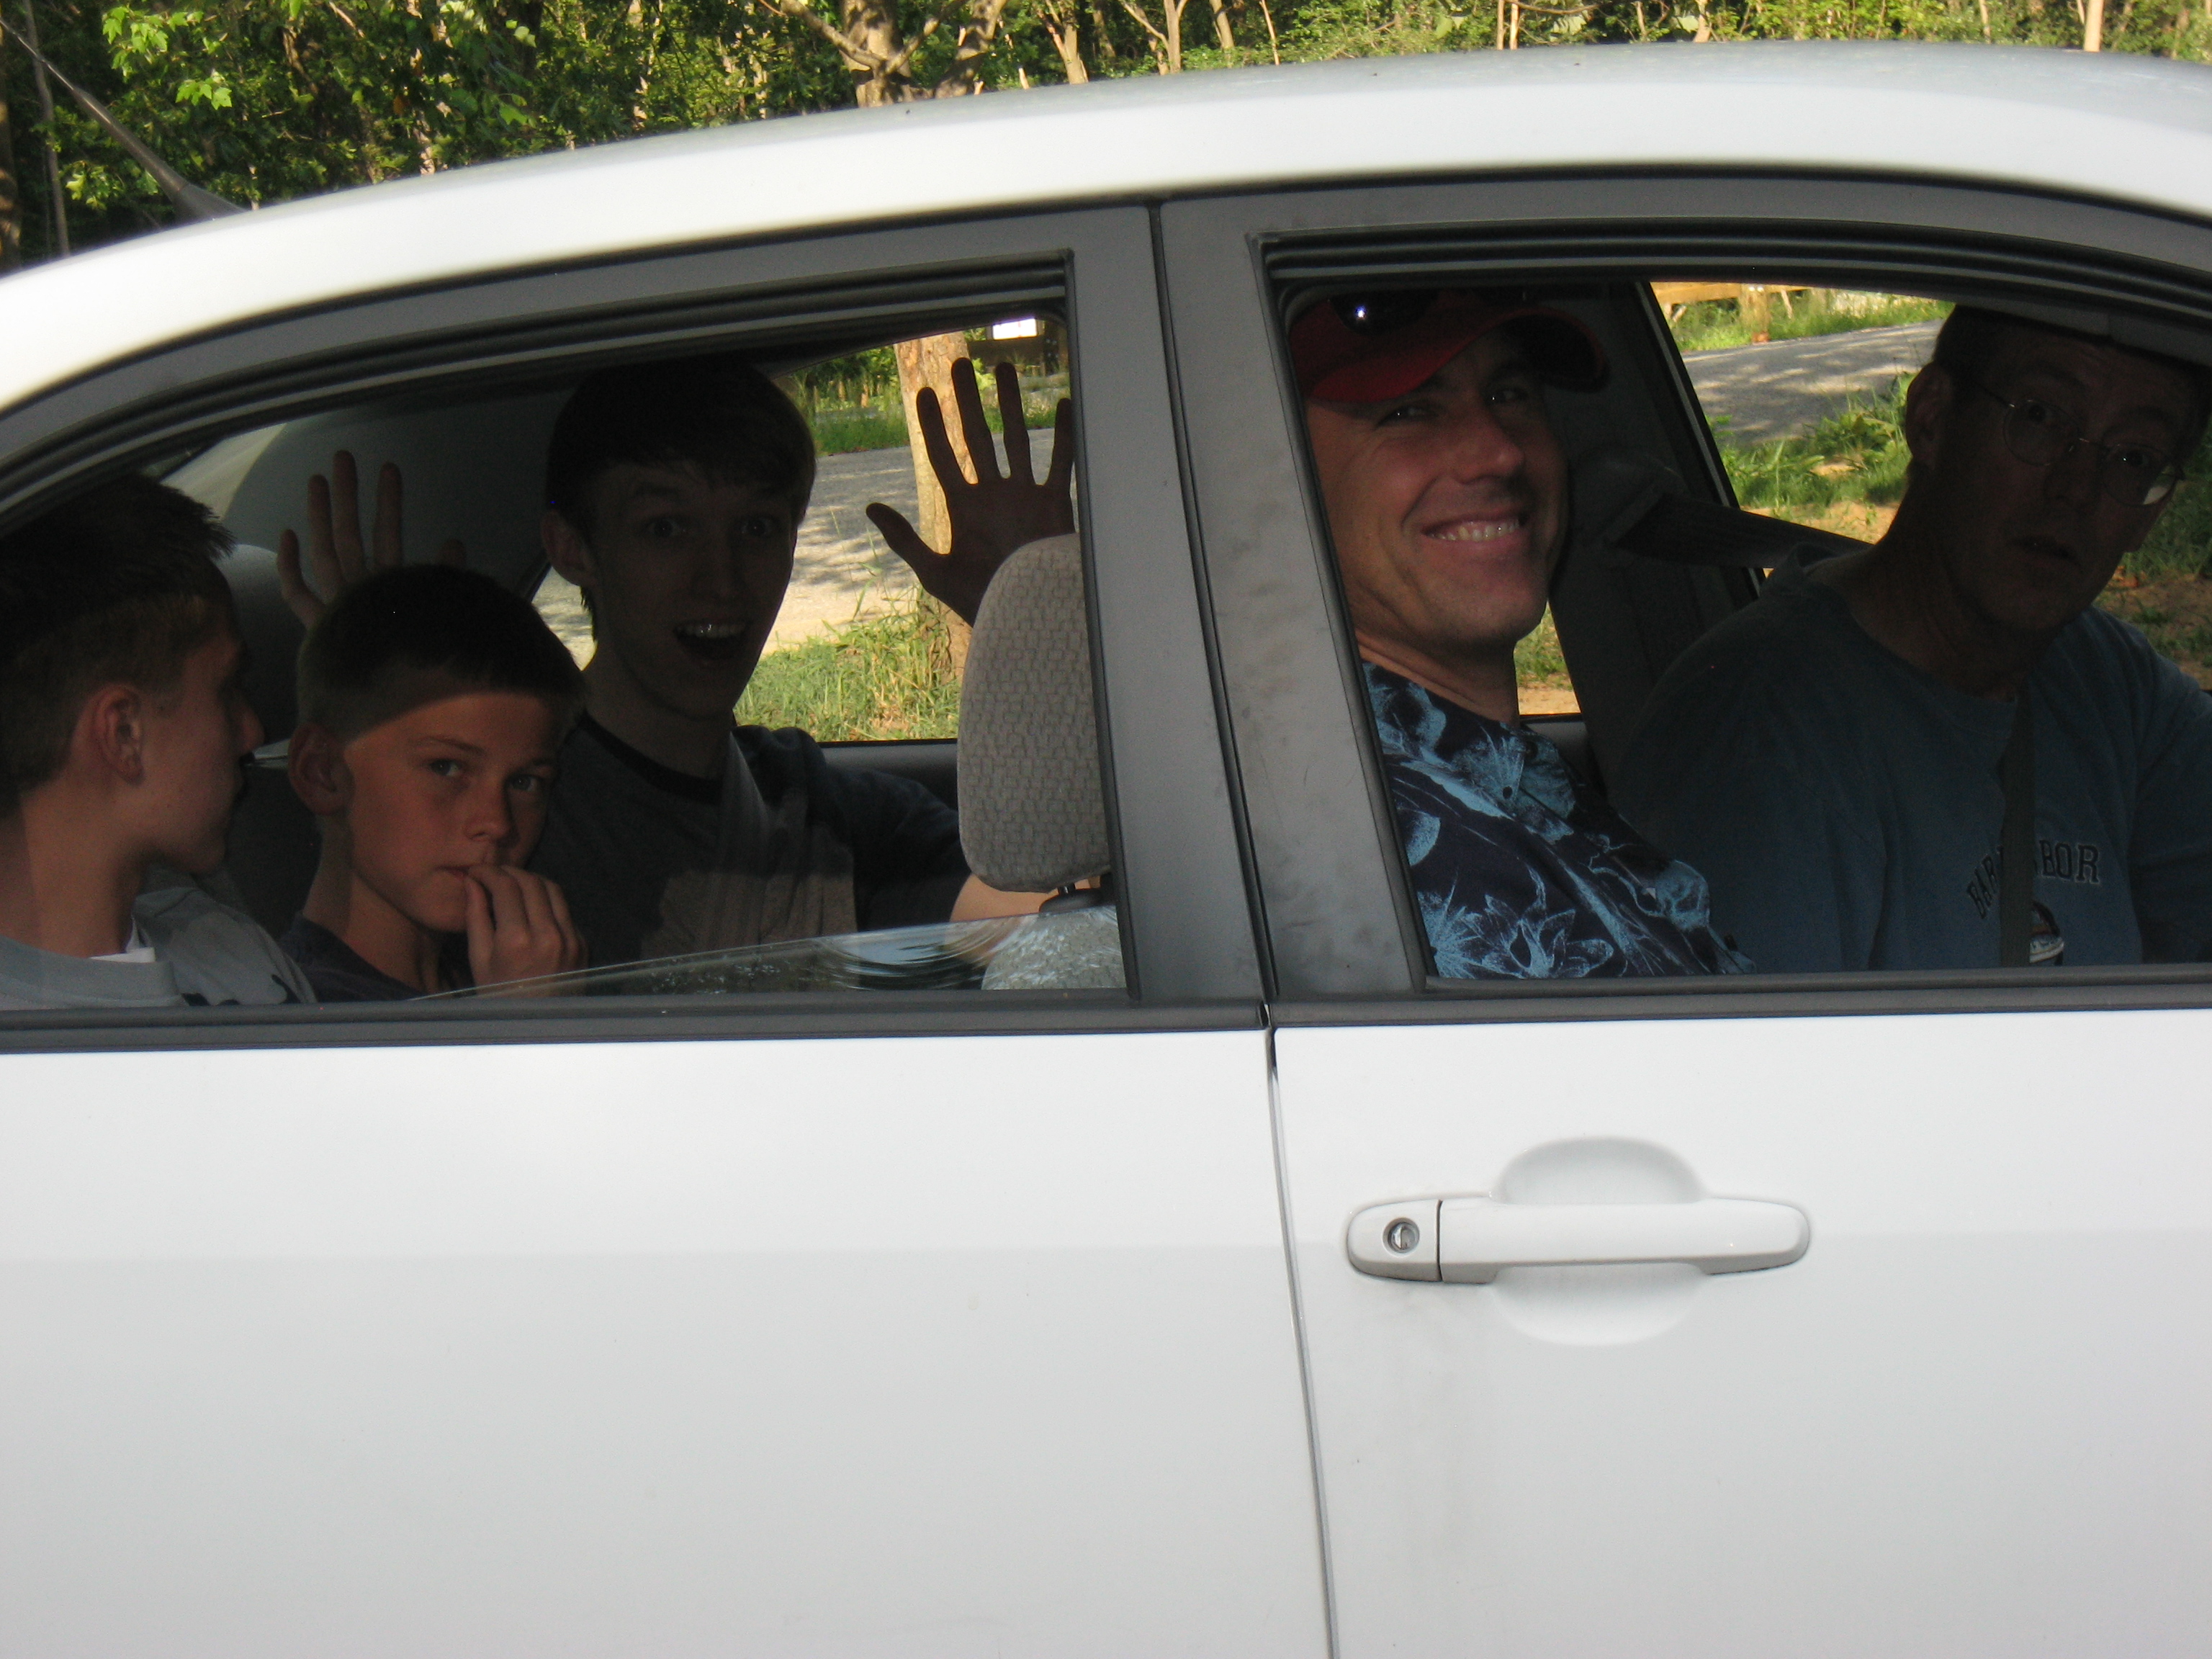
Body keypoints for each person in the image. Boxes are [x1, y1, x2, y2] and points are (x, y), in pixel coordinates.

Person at [281, 351, 1072, 968]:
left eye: (756, 529)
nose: (720, 578)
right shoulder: (498, 816)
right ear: (572, 547)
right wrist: (382, 701)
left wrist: (1038, 619)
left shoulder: (822, 815)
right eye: (666, 528)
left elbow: (1070, 933)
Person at [1612, 305, 2212, 972]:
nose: (2076, 487)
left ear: (2151, 514)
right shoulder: (1761, 737)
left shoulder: (2114, 686)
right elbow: (1746, 1038)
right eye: (2041, 418)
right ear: (1932, 419)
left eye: (2133, 458)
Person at [1294, 289, 1745, 979]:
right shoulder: (1409, 851)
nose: (1500, 453)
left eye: (1508, 395)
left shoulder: (1485, 769)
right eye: (1408, 412)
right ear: (1284, 481)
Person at [0, 476, 311, 1009]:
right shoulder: (236, 962)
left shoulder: (232, 947)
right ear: (124, 734)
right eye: (226, 690)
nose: (252, 732)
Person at [282, 565, 588, 999]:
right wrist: (527, 1020)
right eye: (445, 768)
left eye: (524, 782)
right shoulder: (300, 1012)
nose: (497, 823)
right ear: (323, 772)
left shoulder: (504, 970)